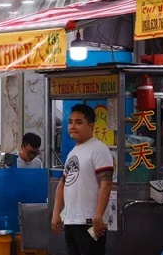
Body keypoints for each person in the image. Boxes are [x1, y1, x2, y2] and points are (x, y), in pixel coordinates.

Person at [51, 104, 113, 255]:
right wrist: (56, 213)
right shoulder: (73, 152)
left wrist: (98, 216)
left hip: (89, 223)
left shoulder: (99, 149)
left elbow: (106, 184)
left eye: (78, 122)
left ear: (90, 125)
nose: (73, 126)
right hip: (71, 221)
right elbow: (63, 184)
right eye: (70, 122)